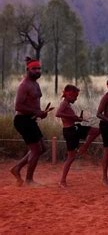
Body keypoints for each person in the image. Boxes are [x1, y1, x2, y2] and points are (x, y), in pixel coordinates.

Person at [10, 57, 52, 186]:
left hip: (30, 120)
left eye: (39, 68)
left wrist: (41, 113)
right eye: (34, 69)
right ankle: (29, 180)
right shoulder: (24, 85)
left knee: (42, 148)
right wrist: (36, 112)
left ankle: (17, 168)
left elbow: (34, 105)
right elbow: (18, 106)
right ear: (28, 69)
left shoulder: (35, 84)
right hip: (22, 120)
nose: (37, 71)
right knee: (35, 150)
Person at [56, 84, 100, 187]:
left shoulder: (67, 104)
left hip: (74, 128)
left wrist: (77, 119)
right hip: (69, 131)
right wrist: (73, 117)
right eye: (75, 97)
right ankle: (62, 181)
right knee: (71, 157)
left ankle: (84, 148)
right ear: (68, 95)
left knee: (97, 131)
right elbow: (57, 114)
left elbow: (70, 118)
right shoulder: (64, 104)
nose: (76, 99)